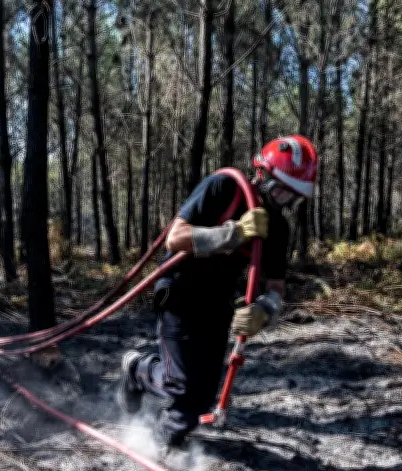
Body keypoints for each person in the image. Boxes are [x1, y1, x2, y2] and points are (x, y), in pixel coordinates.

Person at [117, 134, 319, 454]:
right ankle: (137, 369)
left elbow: (277, 287)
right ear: (263, 175)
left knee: (202, 396)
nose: (284, 201)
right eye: (282, 191)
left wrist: (265, 310)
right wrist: (234, 233)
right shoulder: (223, 188)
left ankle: (167, 440)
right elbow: (176, 237)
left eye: (292, 197)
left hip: (218, 302)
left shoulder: (277, 228)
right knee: (180, 385)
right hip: (180, 292)